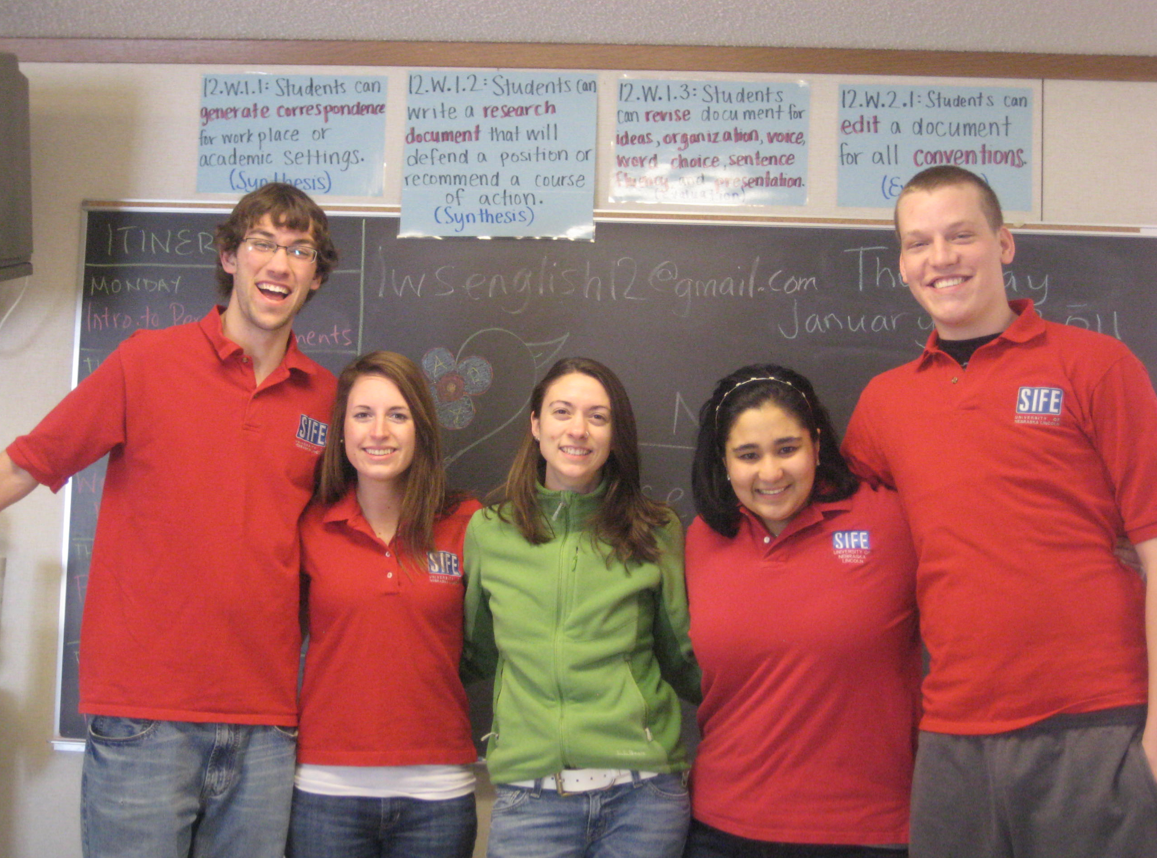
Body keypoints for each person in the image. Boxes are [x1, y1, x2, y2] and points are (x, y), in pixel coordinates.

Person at [0, 182, 339, 858]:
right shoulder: (146, 362)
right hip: (143, 718)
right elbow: (26, 464)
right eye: (263, 244)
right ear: (229, 257)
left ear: (316, 275)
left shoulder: (331, 401)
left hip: (267, 724)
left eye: (298, 250)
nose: (279, 263)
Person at [842, 164, 1157, 858]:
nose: (941, 258)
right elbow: (842, 545)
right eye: (918, 243)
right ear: (900, 263)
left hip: (1095, 722)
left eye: (960, 235)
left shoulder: (1096, 365)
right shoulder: (883, 404)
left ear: (1004, 244)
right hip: (952, 731)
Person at [462, 356, 700, 858]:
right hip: (531, 800)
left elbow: (683, 657)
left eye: (598, 416)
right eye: (562, 411)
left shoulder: (655, 530)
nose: (578, 430)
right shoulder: (490, 530)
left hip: (643, 798)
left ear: (616, 434)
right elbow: (475, 652)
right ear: (535, 423)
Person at [683, 364, 919, 858]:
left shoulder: (894, 520)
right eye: (748, 455)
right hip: (721, 829)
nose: (770, 473)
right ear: (723, 462)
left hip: (867, 830)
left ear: (815, 443)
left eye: (786, 449)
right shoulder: (703, 539)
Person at [287, 350, 482, 858]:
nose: (379, 432)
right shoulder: (310, 524)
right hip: (327, 793)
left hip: (436, 794)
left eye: (398, 415)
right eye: (362, 415)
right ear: (342, 429)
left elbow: (491, 638)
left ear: (420, 428)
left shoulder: (468, 522)